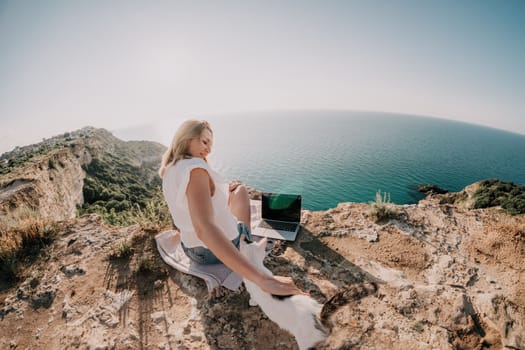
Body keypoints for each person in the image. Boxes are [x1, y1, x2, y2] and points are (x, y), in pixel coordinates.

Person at [159, 119, 305, 296]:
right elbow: (204, 228)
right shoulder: (196, 170)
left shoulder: (170, 169)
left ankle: (240, 222)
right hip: (214, 250)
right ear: (186, 138)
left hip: (191, 250)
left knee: (234, 192)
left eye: (210, 144)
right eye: (204, 142)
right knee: (241, 190)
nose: (208, 149)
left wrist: (221, 192)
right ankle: (246, 240)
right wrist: (262, 279)